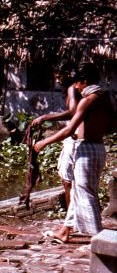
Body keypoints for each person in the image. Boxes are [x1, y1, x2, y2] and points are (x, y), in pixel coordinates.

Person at [34, 62, 112, 243]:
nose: (75, 86)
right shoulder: (107, 97)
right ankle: (64, 231)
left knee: (85, 193)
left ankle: (99, 240)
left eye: (77, 82)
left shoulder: (88, 100)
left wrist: (44, 142)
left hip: (86, 150)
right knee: (78, 191)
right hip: (98, 147)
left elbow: (69, 130)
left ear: (84, 81)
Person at [30, 61, 81, 209]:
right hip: (75, 135)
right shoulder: (74, 89)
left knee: (67, 180)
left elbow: (73, 112)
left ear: (69, 74)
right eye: (56, 77)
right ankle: (72, 217)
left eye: (60, 76)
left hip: (75, 135)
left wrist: (45, 117)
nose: (58, 80)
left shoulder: (72, 88)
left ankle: (70, 220)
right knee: (71, 179)